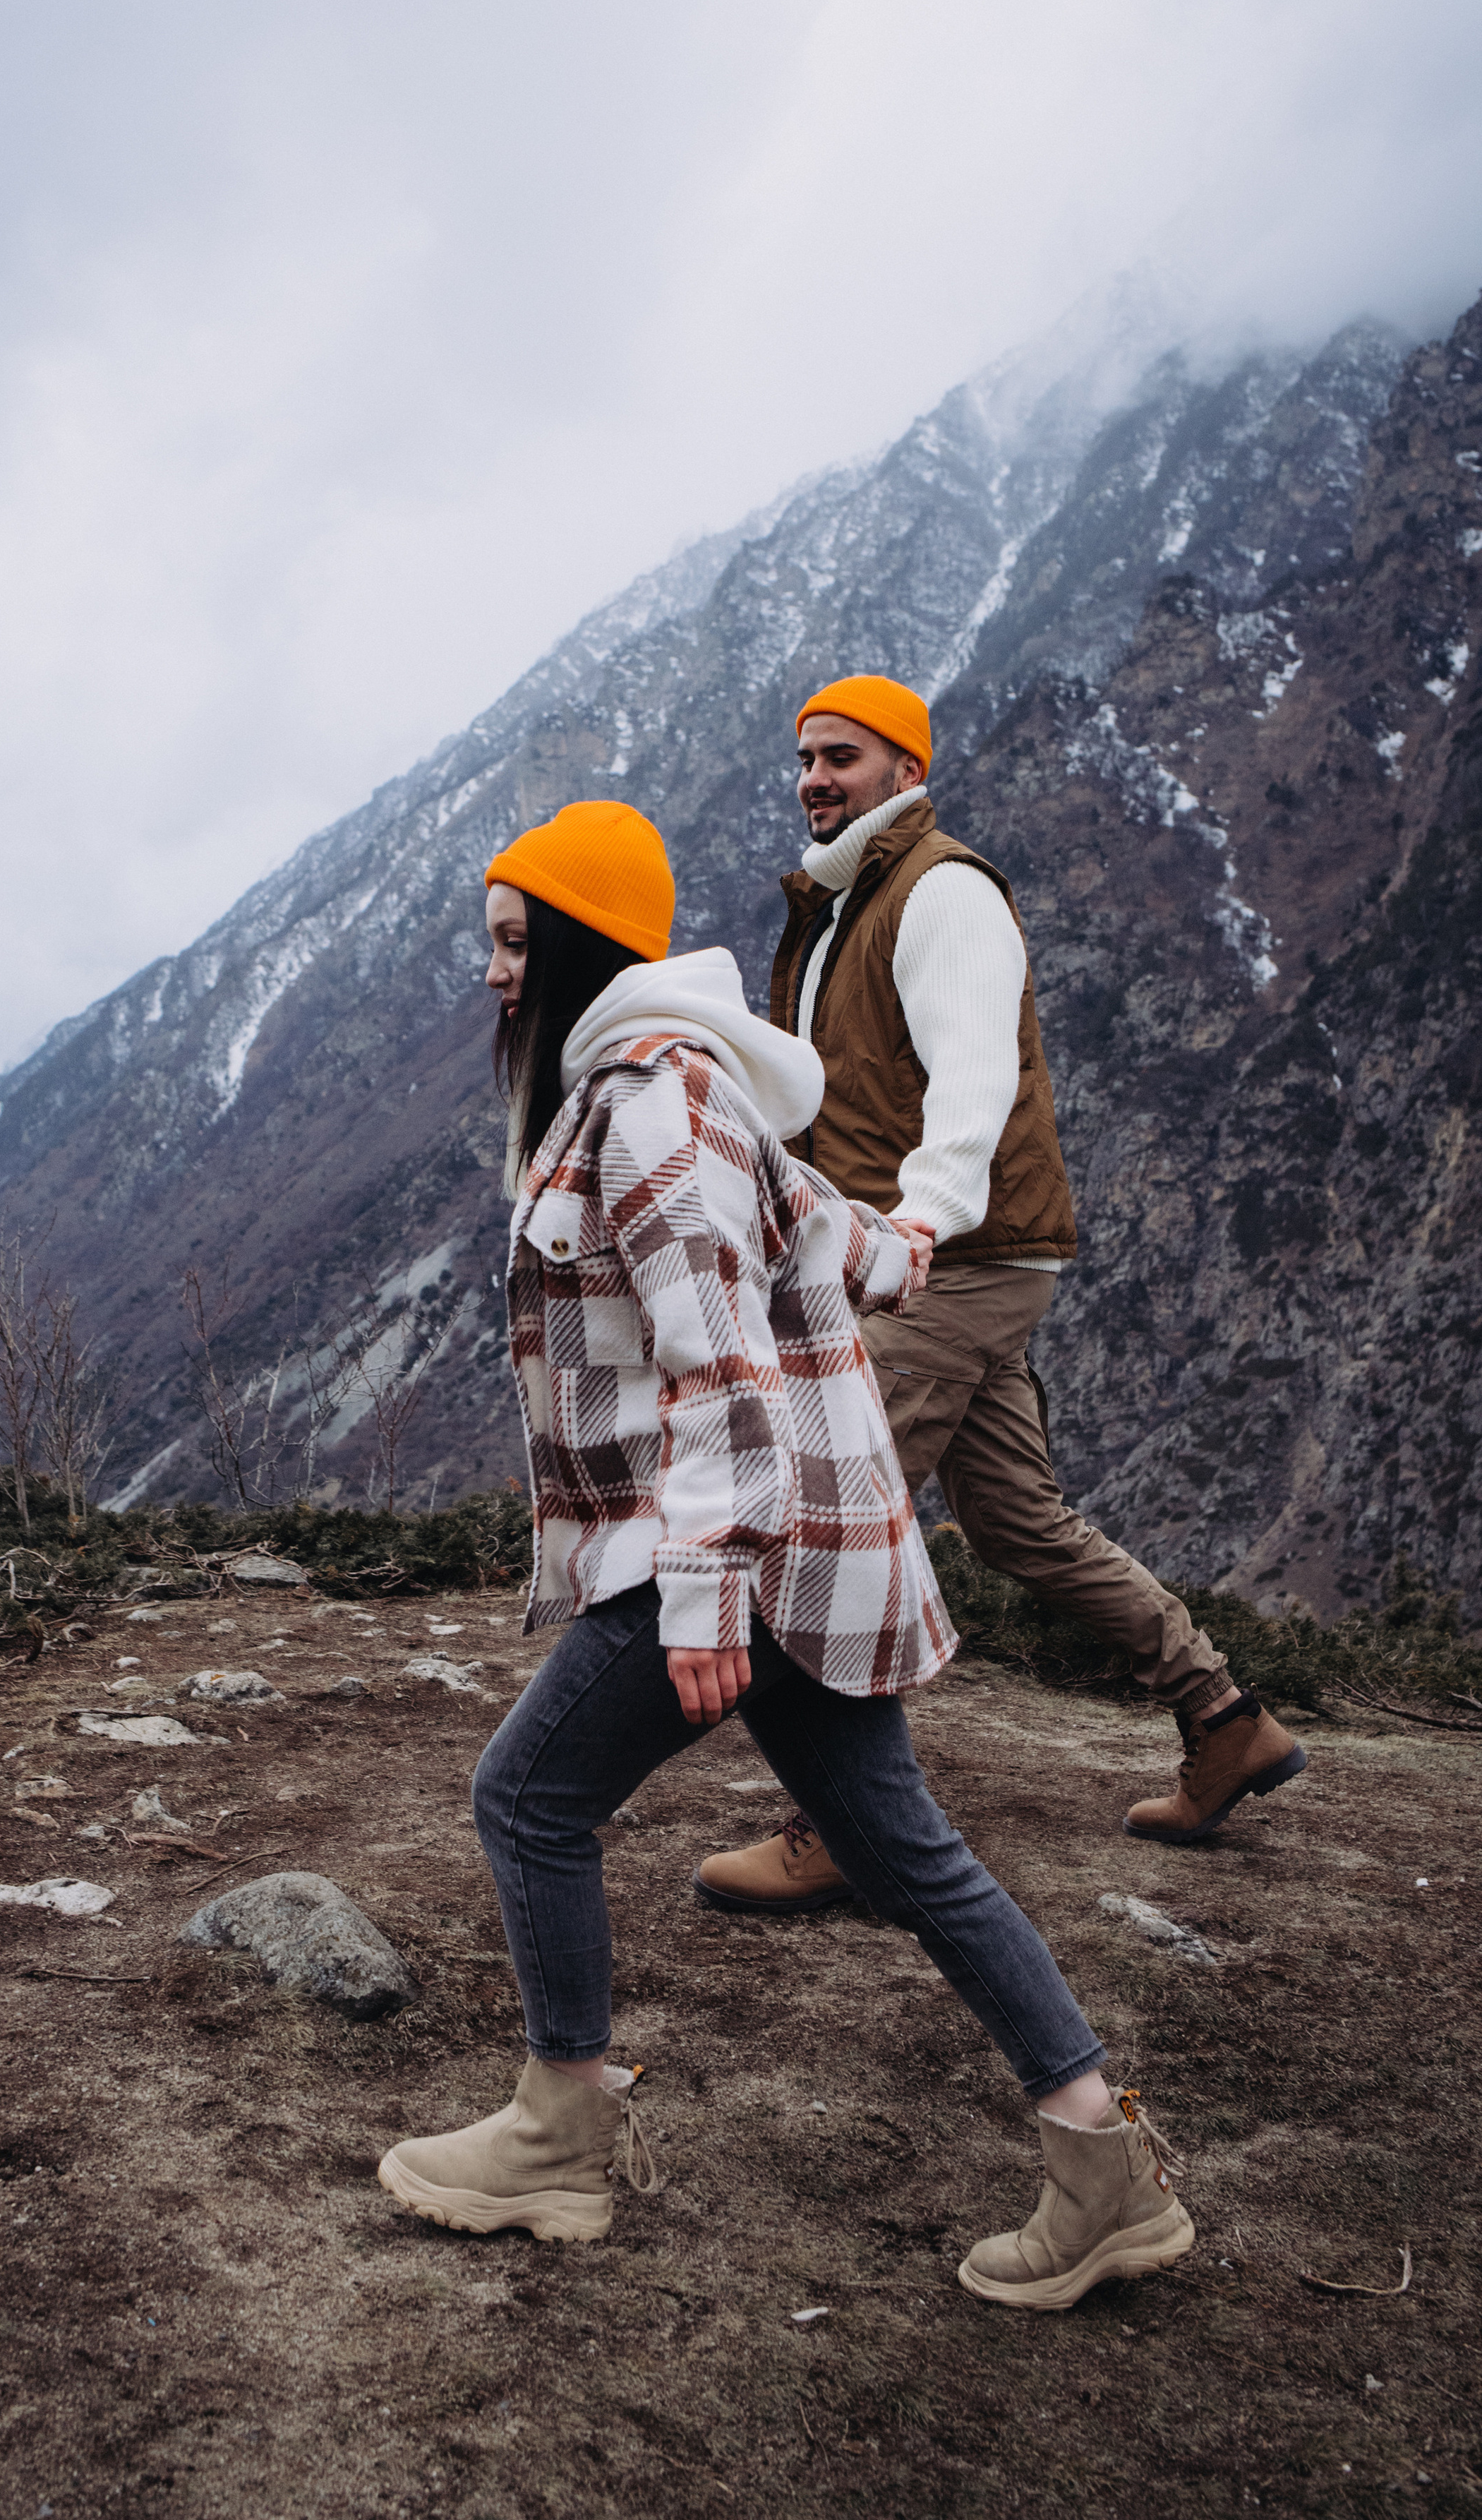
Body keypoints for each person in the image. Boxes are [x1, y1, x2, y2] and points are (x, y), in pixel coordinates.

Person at [376, 798, 1195, 2303]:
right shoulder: (689, 1092)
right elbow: (819, 1231)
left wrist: (697, 1603)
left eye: (508, 944)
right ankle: (1102, 2162)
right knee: (900, 1847)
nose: (492, 974)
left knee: (527, 1800)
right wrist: (899, 1248)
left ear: (570, 944)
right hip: (797, 1545)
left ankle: (559, 2137)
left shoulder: (645, 1105)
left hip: (730, 1551)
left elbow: (721, 1377)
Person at [694, 674, 1306, 1921]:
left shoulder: (943, 894)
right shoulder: (843, 902)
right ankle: (1223, 1719)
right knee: (1019, 1519)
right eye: (806, 759)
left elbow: (972, 1081)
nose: (817, 779)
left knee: (833, 1521)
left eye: (843, 758)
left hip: (949, 1262)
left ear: (904, 769)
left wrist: (918, 1226)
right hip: (930, 1255)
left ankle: (844, 1828)